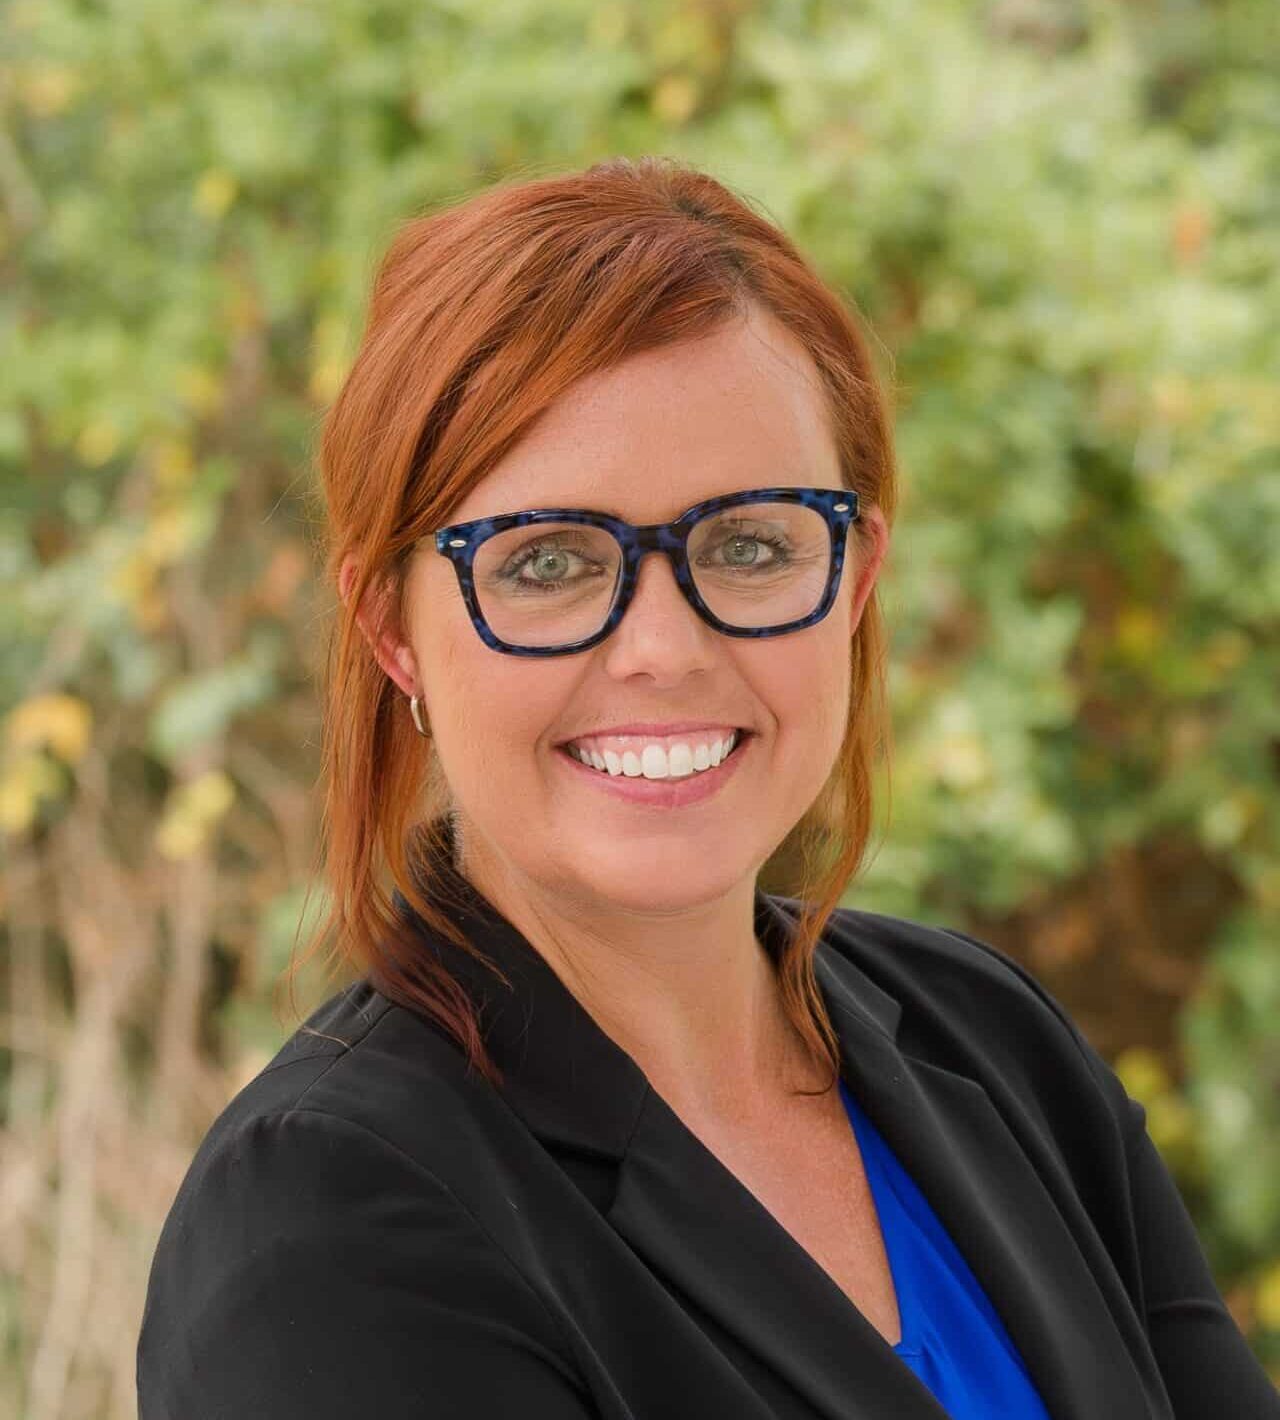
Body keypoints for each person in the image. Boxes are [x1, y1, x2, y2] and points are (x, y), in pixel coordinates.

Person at [136, 156, 1280, 1419]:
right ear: (389, 629)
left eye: (747, 545)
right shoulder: (324, 1227)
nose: (665, 648)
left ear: (851, 580)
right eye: (548, 562)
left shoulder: (996, 1045)